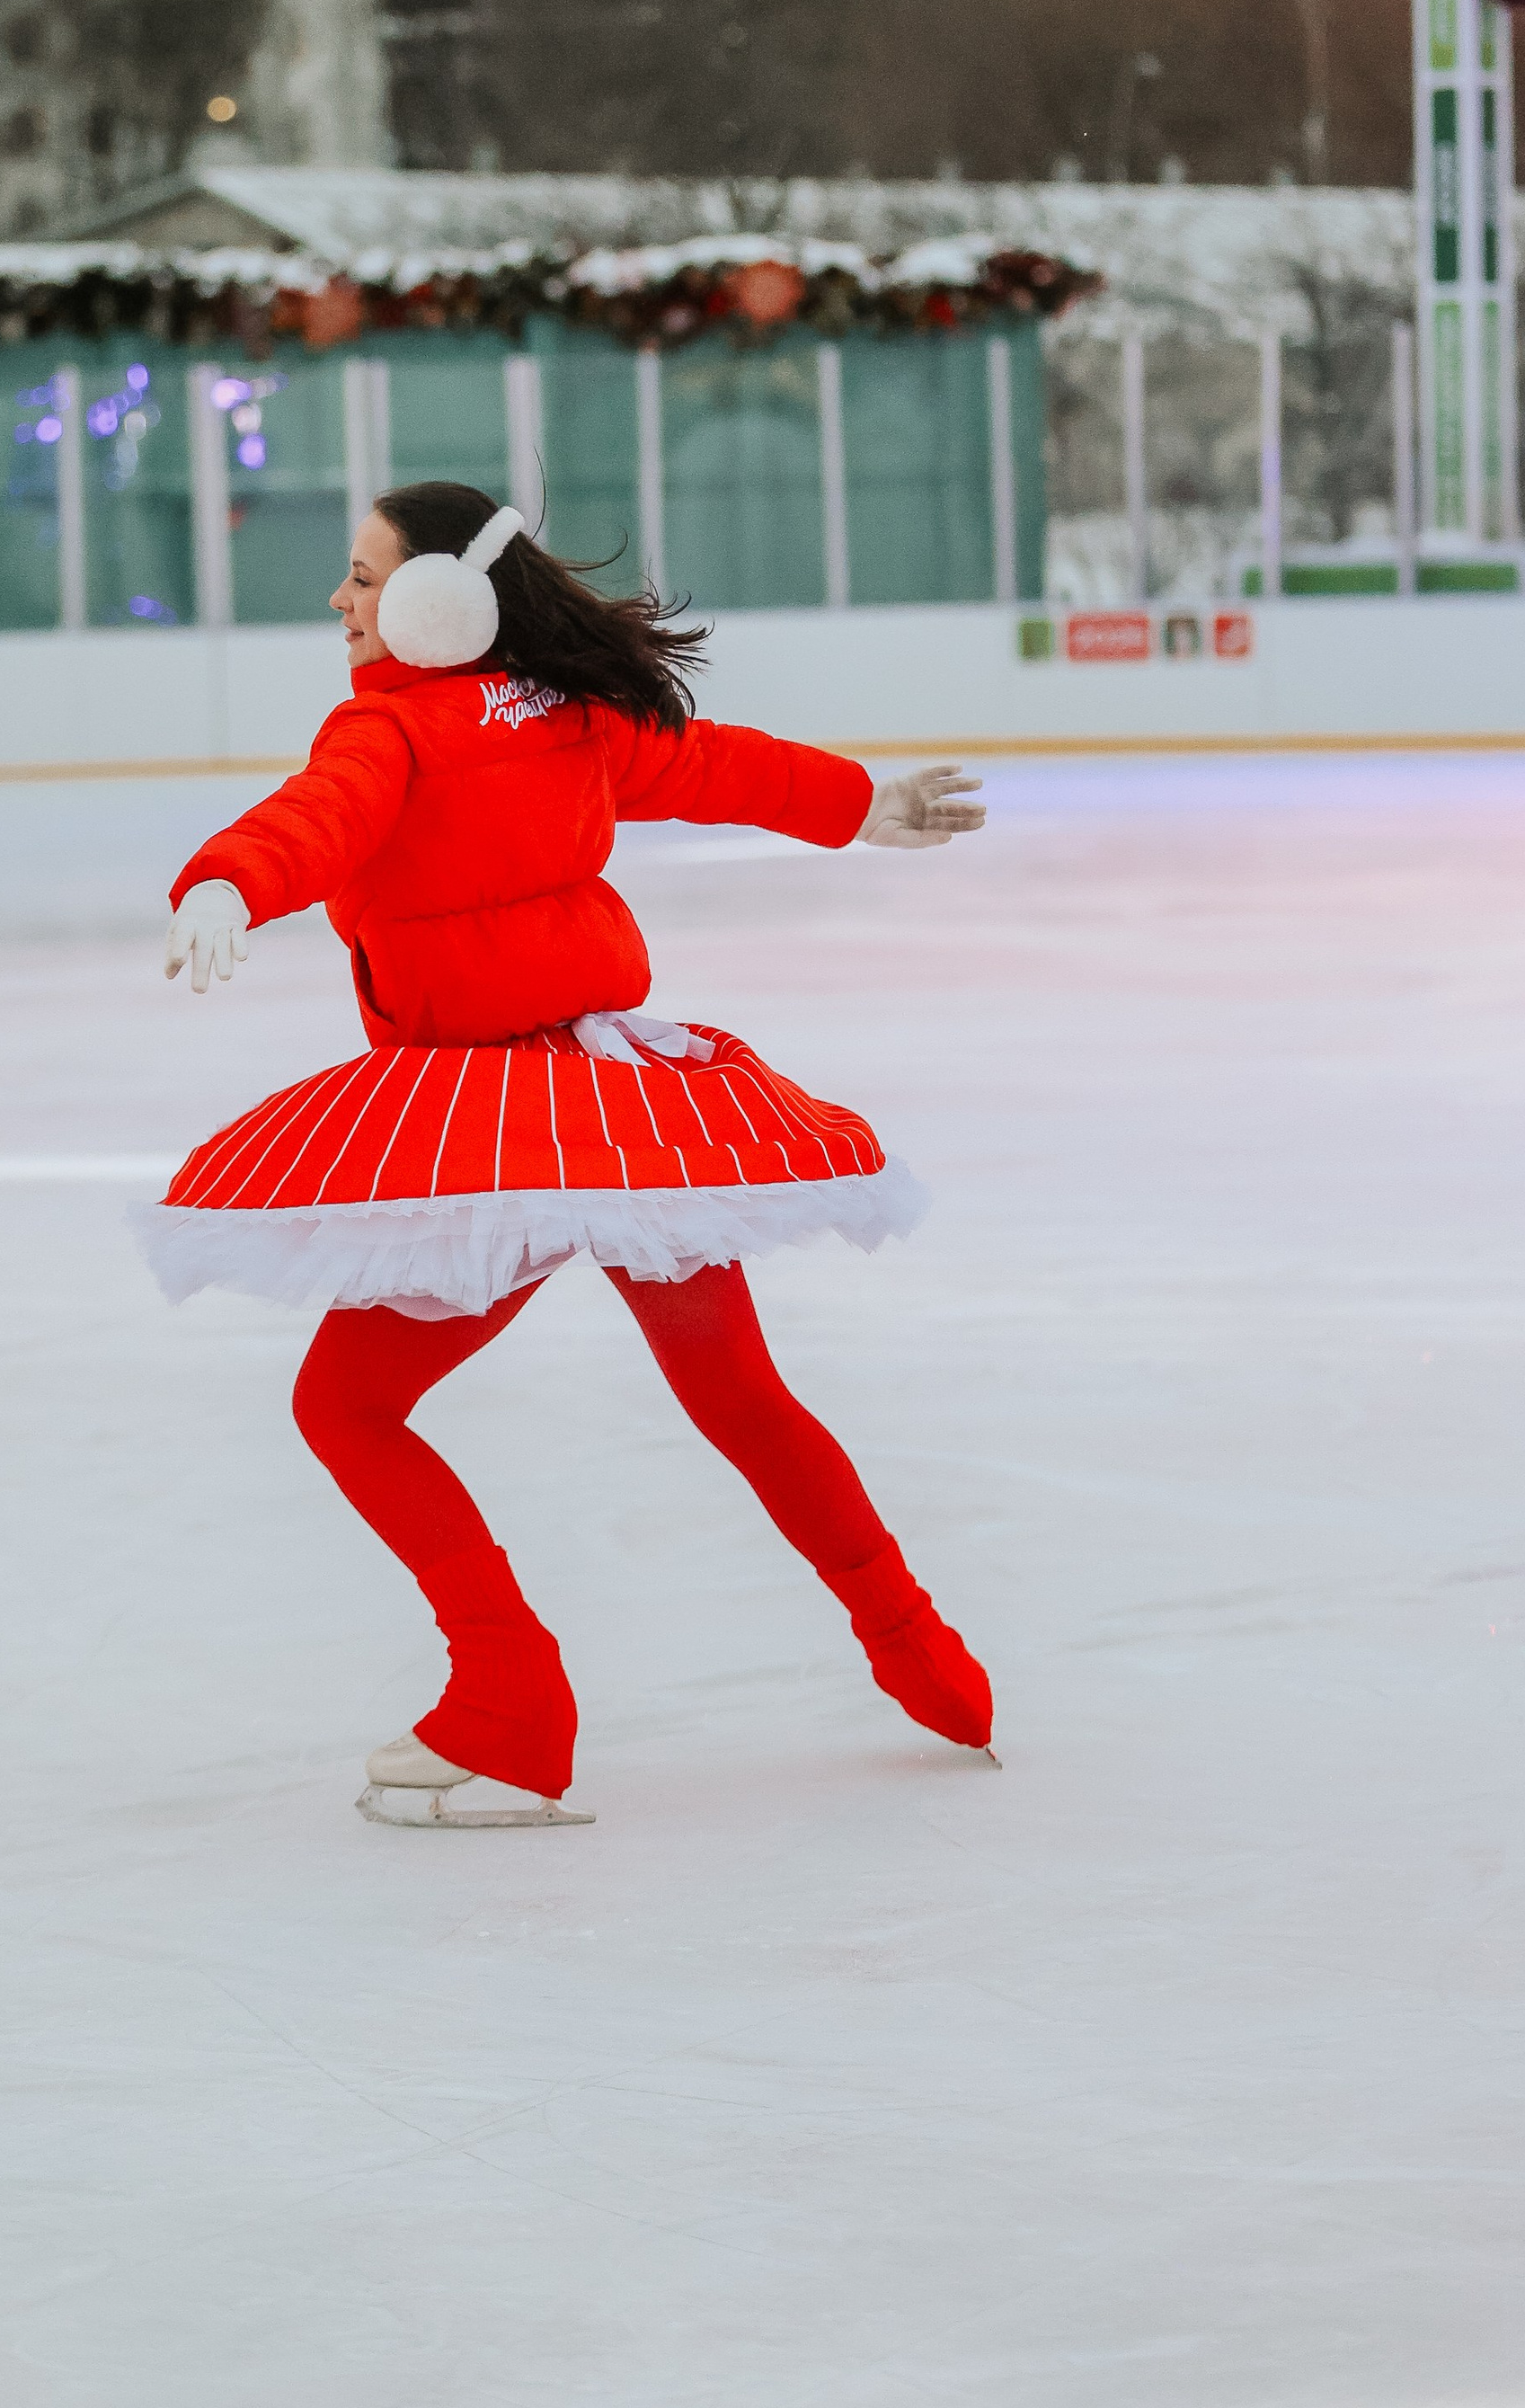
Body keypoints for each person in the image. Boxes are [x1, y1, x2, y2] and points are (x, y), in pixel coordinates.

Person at [140, 479, 991, 1826]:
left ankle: (510, 1699)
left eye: (362, 580)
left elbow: (320, 815)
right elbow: (721, 766)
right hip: (623, 1105)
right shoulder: (575, 714)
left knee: (346, 1408)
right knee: (740, 1397)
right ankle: (924, 1654)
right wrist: (862, 802)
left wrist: (226, 884)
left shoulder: (394, 730)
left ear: (437, 605)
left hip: (487, 1133)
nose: (340, 604)